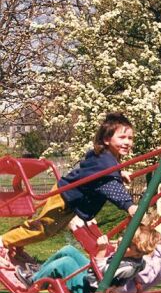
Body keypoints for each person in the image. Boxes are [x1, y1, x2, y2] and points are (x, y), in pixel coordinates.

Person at [0, 112, 138, 266]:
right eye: (122, 137)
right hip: (64, 197)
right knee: (43, 228)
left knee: (46, 229)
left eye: (130, 138)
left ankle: (13, 243)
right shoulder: (106, 161)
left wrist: (119, 173)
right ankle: (3, 242)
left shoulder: (105, 157)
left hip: (69, 198)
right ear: (106, 139)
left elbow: (99, 172)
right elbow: (109, 184)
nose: (127, 142)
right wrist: (128, 205)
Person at [16, 225, 161, 293]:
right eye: (123, 237)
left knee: (66, 263)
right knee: (69, 250)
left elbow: (96, 273)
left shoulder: (127, 267)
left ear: (137, 254)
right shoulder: (132, 258)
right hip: (92, 279)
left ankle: (33, 283)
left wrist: (102, 250)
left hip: (88, 291)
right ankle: (41, 272)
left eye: (128, 245)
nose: (120, 241)